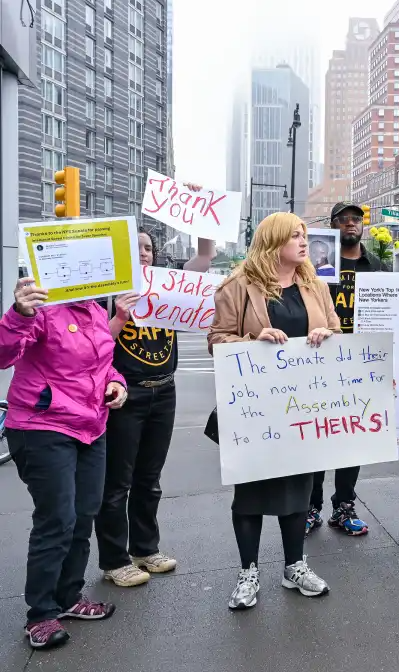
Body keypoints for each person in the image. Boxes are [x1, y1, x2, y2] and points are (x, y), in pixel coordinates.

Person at [208, 212, 338, 610]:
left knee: (298, 490)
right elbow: (216, 339)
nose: (304, 242)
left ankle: (293, 566)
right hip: (255, 409)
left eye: (304, 235)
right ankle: (248, 571)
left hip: (302, 405)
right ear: (272, 241)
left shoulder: (315, 285)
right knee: (250, 493)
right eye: (294, 236)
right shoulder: (238, 286)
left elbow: (336, 330)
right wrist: (253, 338)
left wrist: (325, 334)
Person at [0, 277, 127, 649]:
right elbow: (3, 355)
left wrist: (118, 385)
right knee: (57, 518)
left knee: (84, 514)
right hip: (42, 426)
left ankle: (69, 598)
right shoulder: (41, 307)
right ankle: (39, 615)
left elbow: (104, 365)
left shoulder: (94, 309)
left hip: (91, 427)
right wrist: (19, 314)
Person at [95, 228, 214, 588]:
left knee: (149, 479)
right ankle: (114, 560)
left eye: (147, 248)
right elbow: (96, 344)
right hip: (124, 395)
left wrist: (199, 217)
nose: (143, 253)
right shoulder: (105, 291)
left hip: (164, 391)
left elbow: (205, 257)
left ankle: (144, 549)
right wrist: (119, 316)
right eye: (135, 248)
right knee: (117, 482)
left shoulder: (167, 287)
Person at [307, 202, 391, 537]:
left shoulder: (379, 267)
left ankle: (344, 507)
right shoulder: (317, 266)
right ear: (332, 226)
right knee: (315, 437)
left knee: (351, 438)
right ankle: (310, 508)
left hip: (363, 364)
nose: (350, 224)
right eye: (343, 220)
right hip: (320, 360)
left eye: (356, 219)